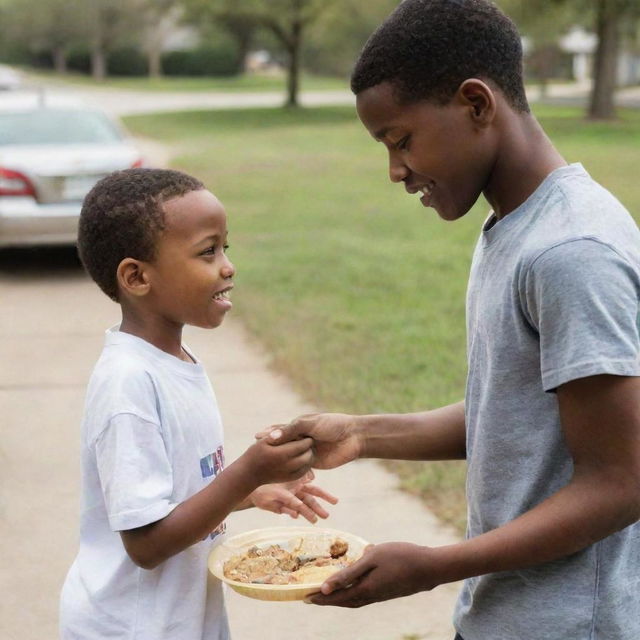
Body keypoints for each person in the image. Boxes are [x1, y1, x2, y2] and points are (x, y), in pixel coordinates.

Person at [260, 1, 640, 639]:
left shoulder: (571, 251)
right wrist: (361, 434)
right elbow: (517, 415)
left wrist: (436, 566)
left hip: (573, 624)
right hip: (505, 614)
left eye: (401, 141)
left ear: (476, 104)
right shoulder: (516, 228)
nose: (396, 172)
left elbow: (622, 479)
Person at [59, 168, 336, 640]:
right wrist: (247, 472)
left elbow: (173, 494)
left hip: (181, 618)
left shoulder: (176, 360)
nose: (227, 266)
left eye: (227, 248)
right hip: (133, 627)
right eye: (208, 252)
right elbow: (146, 544)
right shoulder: (128, 384)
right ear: (137, 277)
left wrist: (250, 494)